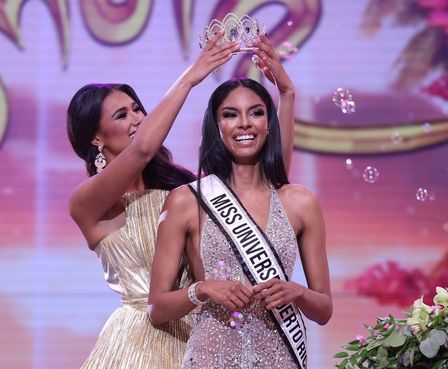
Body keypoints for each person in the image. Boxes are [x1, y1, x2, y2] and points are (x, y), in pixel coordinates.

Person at [67, 31, 295, 368]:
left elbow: (270, 185)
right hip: (138, 344)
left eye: (136, 109)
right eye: (121, 116)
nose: (137, 120)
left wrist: (287, 95)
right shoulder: (87, 202)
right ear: (96, 137)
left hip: (205, 337)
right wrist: (193, 76)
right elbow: (143, 148)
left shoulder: (184, 191)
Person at [148, 60, 332, 368]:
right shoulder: (186, 201)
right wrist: (202, 289)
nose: (244, 123)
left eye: (256, 112)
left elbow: (323, 310)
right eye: (230, 115)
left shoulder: (301, 202)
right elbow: (157, 308)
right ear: (217, 126)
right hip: (210, 358)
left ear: (269, 123)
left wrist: (296, 292)